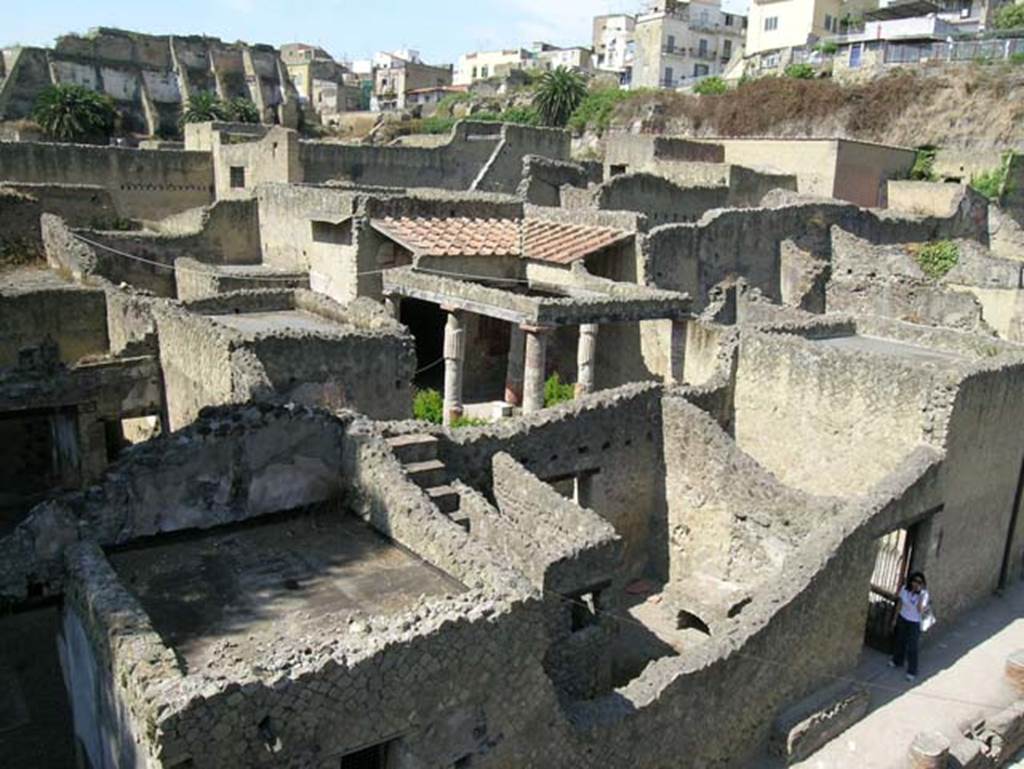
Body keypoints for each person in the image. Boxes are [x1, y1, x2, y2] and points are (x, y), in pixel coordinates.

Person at [889, 571, 930, 682]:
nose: (916, 584)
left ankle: (912, 670)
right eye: (914, 581)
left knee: (912, 647)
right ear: (911, 581)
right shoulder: (904, 590)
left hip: (914, 622)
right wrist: (895, 619)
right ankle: (898, 660)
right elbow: (900, 604)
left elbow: (920, 610)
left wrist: (920, 596)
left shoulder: (924, 594)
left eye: (919, 582)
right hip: (903, 618)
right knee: (900, 641)